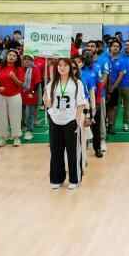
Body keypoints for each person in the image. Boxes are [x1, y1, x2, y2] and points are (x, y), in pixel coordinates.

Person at [44, 58, 88, 190]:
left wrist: (77, 120)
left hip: (70, 121)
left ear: (70, 68)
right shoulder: (51, 84)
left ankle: (74, 179)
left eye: (65, 65)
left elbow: (80, 103)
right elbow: (48, 103)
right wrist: (46, 99)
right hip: (55, 120)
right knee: (55, 151)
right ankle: (57, 178)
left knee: (72, 151)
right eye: (59, 65)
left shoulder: (77, 83)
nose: (62, 68)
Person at [0, 49, 24, 147]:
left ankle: (16, 137)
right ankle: (2, 138)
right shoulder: (0, 68)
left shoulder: (19, 69)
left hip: (14, 96)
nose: (11, 57)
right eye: (10, 55)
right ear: (6, 56)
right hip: (0, 96)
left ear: (16, 59)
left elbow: (21, 84)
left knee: (15, 116)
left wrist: (14, 77)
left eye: (14, 56)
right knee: (1, 117)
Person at [77, 52, 102, 158]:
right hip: (81, 104)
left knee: (96, 127)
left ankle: (97, 148)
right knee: (81, 128)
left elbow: (99, 86)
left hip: (94, 101)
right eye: (85, 57)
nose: (87, 59)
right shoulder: (78, 70)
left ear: (93, 58)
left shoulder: (96, 68)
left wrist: (97, 101)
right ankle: (82, 149)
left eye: (89, 57)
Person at [104, 40, 127, 135]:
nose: (115, 47)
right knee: (103, 107)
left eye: (117, 46)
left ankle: (111, 126)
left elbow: (121, 75)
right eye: (114, 46)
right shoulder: (104, 58)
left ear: (120, 49)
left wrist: (113, 88)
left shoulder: (121, 61)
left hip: (114, 88)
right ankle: (102, 126)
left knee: (112, 108)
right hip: (102, 88)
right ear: (110, 47)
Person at [20, 54, 41, 141]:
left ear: (32, 61)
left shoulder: (35, 69)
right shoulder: (20, 69)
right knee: (21, 113)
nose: (26, 61)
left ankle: (29, 130)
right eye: (25, 59)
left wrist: (32, 92)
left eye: (29, 59)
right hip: (21, 93)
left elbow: (37, 83)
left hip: (31, 94)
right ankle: (22, 127)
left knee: (29, 113)